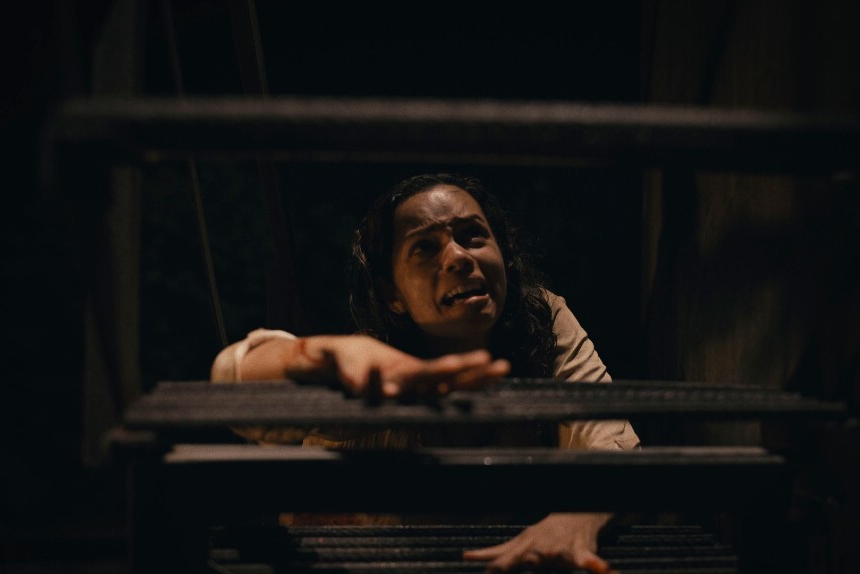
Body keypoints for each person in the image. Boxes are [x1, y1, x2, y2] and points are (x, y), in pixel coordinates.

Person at [211, 172, 640, 573]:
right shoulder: (369, 367)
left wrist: (575, 518)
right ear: (392, 294)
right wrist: (317, 353)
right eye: (425, 248)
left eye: (473, 235)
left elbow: (611, 442)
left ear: (504, 257)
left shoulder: (542, 319)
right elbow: (235, 382)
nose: (458, 257)